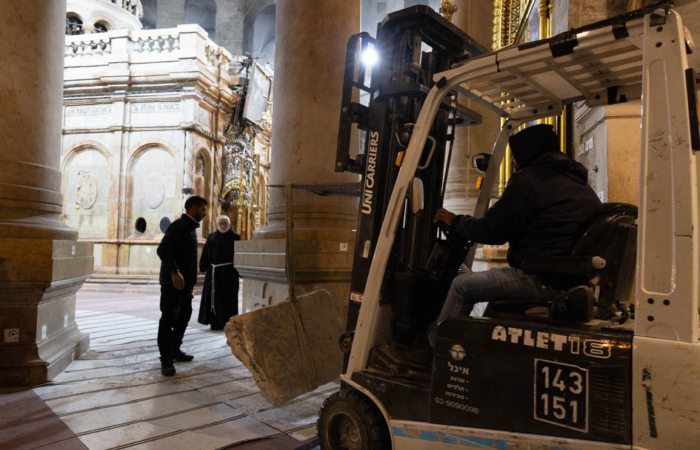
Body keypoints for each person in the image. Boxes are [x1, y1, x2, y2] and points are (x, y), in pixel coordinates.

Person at [433, 124, 600, 324]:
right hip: (568, 278)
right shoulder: (580, 184)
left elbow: (491, 230)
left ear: (528, 152)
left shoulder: (529, 180)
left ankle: (436, 347)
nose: (512, 161)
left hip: (542, 278)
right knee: (493, 292)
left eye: (515, 155)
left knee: (462, 285)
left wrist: (455, 220)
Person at [156, 196, 207, 376]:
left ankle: (175, 349)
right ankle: (166, 360)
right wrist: (174, 271)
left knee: (184, 315)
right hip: (173, 283)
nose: (205, 213)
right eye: (202, 210)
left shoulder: (190, 228)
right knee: (168, 319)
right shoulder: (179, 226)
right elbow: (163, 249)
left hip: (185, 286)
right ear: (193, 209)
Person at [198, 215, 242, 330]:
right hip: (214, 274)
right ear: (216, 225)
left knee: (228, 299)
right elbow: (205, 255)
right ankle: (215, 322)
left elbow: (239, 256)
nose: (222, 226)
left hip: (229, 275)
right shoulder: (211, 237)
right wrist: (206, 268)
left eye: (225, 223)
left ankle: (228, 322)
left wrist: (238, 271)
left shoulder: (236, 237)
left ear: (229, 225)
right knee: (214, 298)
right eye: (220, 224)